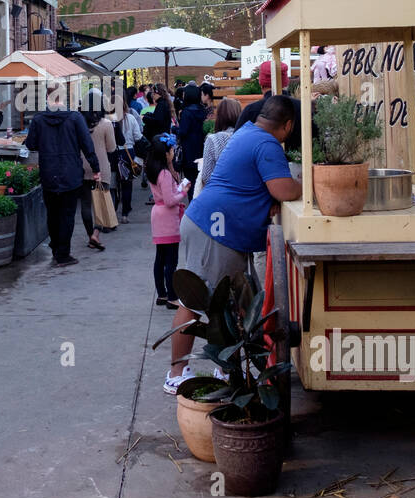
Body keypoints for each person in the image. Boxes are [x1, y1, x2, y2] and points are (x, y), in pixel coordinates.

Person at [164, 94, 302, 394]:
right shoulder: (266, 142)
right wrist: (308, 183)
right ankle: (177, 374)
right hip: (214, 231)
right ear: (288, 125)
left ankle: (224, 371)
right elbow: (283, 188)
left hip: (208, 223)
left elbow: (253, 185)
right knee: (196, 302)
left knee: (226, 306)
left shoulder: (248, 133)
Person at [25, 102, 100, 268]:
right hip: (70, 172)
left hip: (48, 172)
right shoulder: (75, 118)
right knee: (67, 215)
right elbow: (87, 144)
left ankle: (56, 248)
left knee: (53, 213)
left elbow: (30, 144)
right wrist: (96, 168)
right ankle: (63, 254)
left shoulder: (38, 119)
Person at [147, 134, 186, 310]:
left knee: (160, 258)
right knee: (171, 260)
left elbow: (165, 195)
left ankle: (162, 294)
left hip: (158, 215)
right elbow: (170, 201)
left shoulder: (154, 170)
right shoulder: (165, 174)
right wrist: (183, 192)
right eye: (171, 150)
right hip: (168, 217)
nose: (173, 153)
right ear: (165, 153)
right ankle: (172, 297)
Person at [79, 103, 116, 247]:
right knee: (101, 203)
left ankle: (90, 236)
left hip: (82, 167)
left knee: (86, 204)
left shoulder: (79, 124)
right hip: (101, 167)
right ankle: (96, 233)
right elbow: (111, 148)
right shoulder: (106, 124)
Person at [197, 97, 242, 191]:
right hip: (246, 194)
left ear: (219, 116)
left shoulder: (213, 139)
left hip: (221, 194)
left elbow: (206, 176)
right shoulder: (246, 136)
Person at [114, 104, 143, 222]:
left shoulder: (108, 120)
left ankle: (112, 214)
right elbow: (138, 136)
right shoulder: (130, 118)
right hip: (128, 153)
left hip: (114, 153)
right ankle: (125, 214)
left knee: (113, 185)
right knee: (127, 185)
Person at [175, 83, 207, 187]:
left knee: (190, 180)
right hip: (201, 148)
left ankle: (192, 202)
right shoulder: (203, 110)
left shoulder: (186, 112)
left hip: (188, 149)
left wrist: (175, 130)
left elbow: (183, 131)